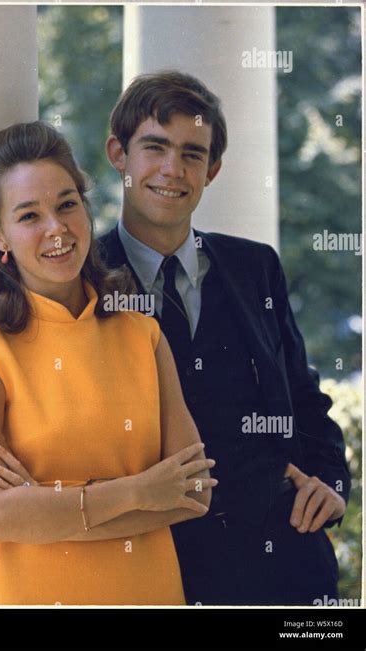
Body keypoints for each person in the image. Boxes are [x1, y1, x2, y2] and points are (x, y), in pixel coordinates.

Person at [98, 70, 351, 606]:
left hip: (285, 569)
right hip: (153, 567)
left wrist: (333, 484)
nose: (173, 169)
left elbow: (305, 399)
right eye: (155, 147)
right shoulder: (84, 279)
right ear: (118, 153)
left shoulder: (254, 266)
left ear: (212, 170)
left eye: (193, 154)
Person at [0, 121, 218, 606]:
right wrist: (140, 490)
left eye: (67, 204)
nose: (57, 228)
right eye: (29, 216)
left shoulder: (143, 334)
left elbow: (195, 493)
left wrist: (46, 509)